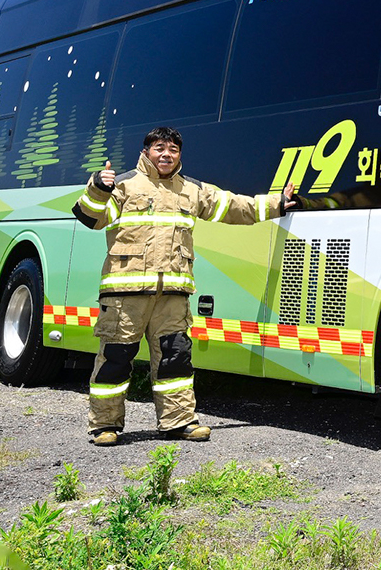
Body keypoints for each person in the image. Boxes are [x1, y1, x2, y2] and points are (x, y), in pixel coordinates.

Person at [72, 127, 297, 446]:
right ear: (147, 151)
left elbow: (234, 207)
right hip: (125, 295)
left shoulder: (192, 190)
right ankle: (104, 425)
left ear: (180, 154)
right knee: (115, 359)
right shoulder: (122, 185)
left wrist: (278, 204)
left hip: (172, 295)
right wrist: (97, 188)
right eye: (159, 148)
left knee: (175, 359)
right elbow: (90, 218)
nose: (166, 154)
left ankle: (177, 422)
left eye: (173, 149)